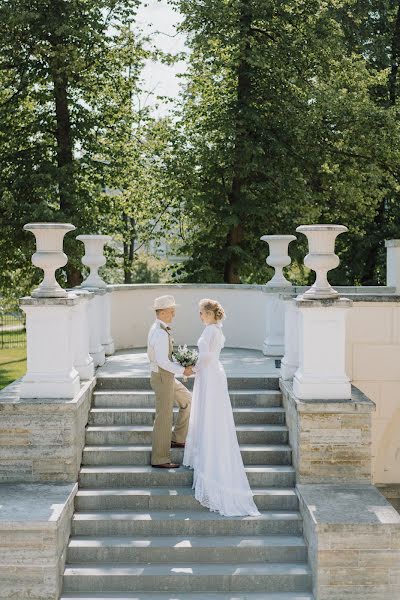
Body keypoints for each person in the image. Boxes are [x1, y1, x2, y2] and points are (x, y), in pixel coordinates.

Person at [183, 298, 260, 516]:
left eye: (201, 312)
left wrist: (192, 369)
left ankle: (208, 459)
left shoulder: (209, 331)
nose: (199, 316)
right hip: (215, 374)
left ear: (209, 313)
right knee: (212, 413)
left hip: (209, 373)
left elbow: (206, 357)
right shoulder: (216, 329)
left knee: (208, 413)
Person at [147, 295, 193, 469]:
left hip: (166, 376)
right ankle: (159, 458)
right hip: (162, 377)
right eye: (172, 311)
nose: (174, 314)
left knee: (187, 400)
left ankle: (178, 438)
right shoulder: (159, 332)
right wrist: (183, 370)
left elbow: (165, 359)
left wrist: (182, 365)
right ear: (164, 312)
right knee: (164, 417)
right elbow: (162, 362)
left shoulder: (160, 328)